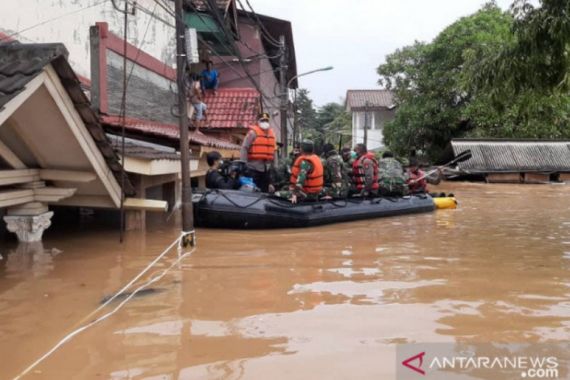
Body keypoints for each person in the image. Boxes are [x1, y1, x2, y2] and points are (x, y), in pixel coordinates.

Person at [240, 112, 276, 192]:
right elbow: (244, 147)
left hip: (266, 168)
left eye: (266, 120)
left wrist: (274, 165)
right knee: (253, 190)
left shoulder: (272, 134)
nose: (265, 122)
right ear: (258, 121)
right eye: (262, 120)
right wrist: (243, 163)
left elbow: (274, 150)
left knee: (265, 190)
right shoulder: (253, 133)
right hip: (253, 167)